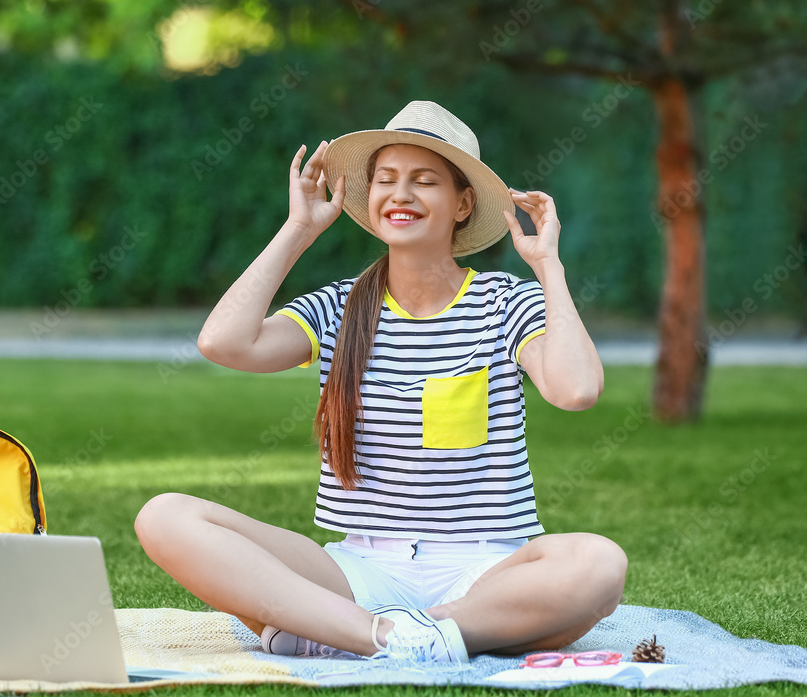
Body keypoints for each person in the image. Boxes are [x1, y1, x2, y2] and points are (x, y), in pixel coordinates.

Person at [135, 101, 627, 664]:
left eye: (425, 181)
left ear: (463, 203)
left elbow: (576, 390)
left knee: (599, 564)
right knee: (166, 516)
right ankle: (387, 639)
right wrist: (297, 230)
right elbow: (223, 343)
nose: (402, 195)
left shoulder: (506, 302)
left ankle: (348, 632)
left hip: (486, 571)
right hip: (359, 569)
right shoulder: (339, 307)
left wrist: (549, 268)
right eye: (386, 180)